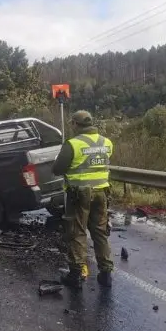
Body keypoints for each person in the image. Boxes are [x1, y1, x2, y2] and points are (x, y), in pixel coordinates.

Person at [52, 110, 114, 289]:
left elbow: (58, 169)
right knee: (100, 232)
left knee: (77, 232)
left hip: (79, 194)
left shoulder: (72, 144)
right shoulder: (106, 142)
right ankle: (106, 273)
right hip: (102, 193)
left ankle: (76, 274)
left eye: (72, 124)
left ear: (75, 124)